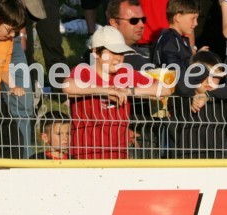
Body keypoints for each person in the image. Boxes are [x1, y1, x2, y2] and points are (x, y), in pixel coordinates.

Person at [64, 26, 173, 159]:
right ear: (95, 52)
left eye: (121, 53)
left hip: (118, 157)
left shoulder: (125, 72)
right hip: (84, 155)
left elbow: (165, 89)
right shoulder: (83, 71)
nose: (118, 59)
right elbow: (67, 86)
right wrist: (105, 91)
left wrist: (129, 91)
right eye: (112, 53)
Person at [0, 0, 27, 159]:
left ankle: (12, 168)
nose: (12, 35)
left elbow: (4, 69)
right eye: (10, 30)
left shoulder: (8, 42)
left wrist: (13, 86)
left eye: (16, 32)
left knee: (12, 134)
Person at [106, 0, 151, 69]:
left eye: (143, 19)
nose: (141, 25)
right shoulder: (99, 58)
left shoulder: (142, 56)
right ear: (114, 23)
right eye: (133, 20)